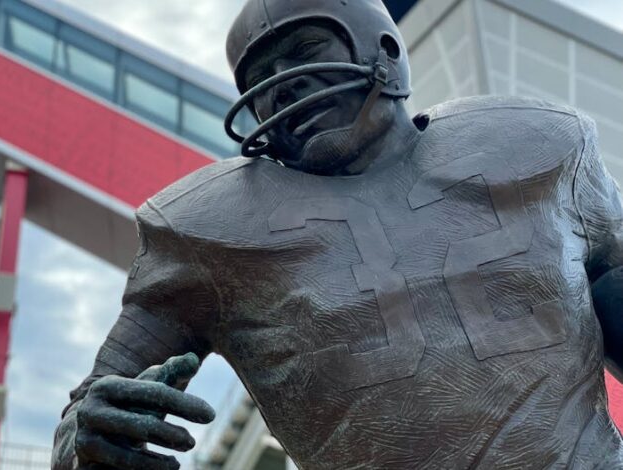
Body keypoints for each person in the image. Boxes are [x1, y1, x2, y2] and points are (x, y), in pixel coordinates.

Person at [52, 0, 623, 468]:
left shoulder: (542, 149)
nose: (282, 86)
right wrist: (91, 435)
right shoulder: (203, 234)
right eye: (260, 79)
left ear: (386, 51)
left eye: (305, 50)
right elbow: (85, 416)